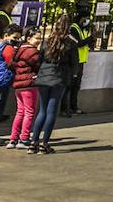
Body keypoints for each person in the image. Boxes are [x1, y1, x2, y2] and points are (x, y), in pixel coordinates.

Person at [29, 15, 78, 154]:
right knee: (51, 111)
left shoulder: (47, 41)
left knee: (42, 111)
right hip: (59, 77)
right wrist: (73, 75)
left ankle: (34, 142)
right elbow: (75, 64)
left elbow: (39, 59)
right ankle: (45, 144)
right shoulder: (70, 43)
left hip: (44, 76)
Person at [6, 27, 42, 149]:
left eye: (40, 38)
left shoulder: (19, 49)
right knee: (29, 112)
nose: (39, 40)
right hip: (29, 84)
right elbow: (39, 66)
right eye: (36, 38)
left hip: (18, 85)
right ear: (29, 38)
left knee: (20, 112)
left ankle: (13, 139)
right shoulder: (32, 52)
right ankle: (24, 138)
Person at [61, 6, 95, 117]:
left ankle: (73, 107)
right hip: (73, 61)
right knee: (69, 85)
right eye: (85, 18)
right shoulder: (74, 28)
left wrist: (92, 38)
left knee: (76, 85)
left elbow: (86, 44)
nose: (87, 21)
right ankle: (65, 108)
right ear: (81, 18)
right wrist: (91, 37)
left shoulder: (84, 29)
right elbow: (79, 43)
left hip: (81, 60)